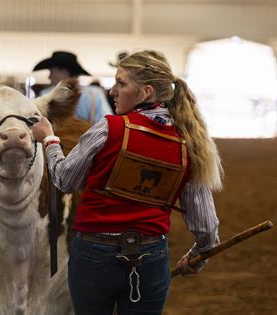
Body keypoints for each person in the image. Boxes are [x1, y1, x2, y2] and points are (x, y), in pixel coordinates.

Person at [32, 50, 223, 314]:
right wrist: (197, 257)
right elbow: (206, 226)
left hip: (94, 253)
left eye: (121, 83)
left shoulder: (108, 128)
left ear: (146, 92)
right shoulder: (188, 144)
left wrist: (50, 140)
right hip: (150, 256)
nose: (113, 91)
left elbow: (64, 180)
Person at [33, 50, 113, 124]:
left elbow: (107, 123)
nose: (49, 77)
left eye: (51, 72)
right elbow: (107, 123)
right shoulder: (93, 94)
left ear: (64, 71)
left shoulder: (94, 94)